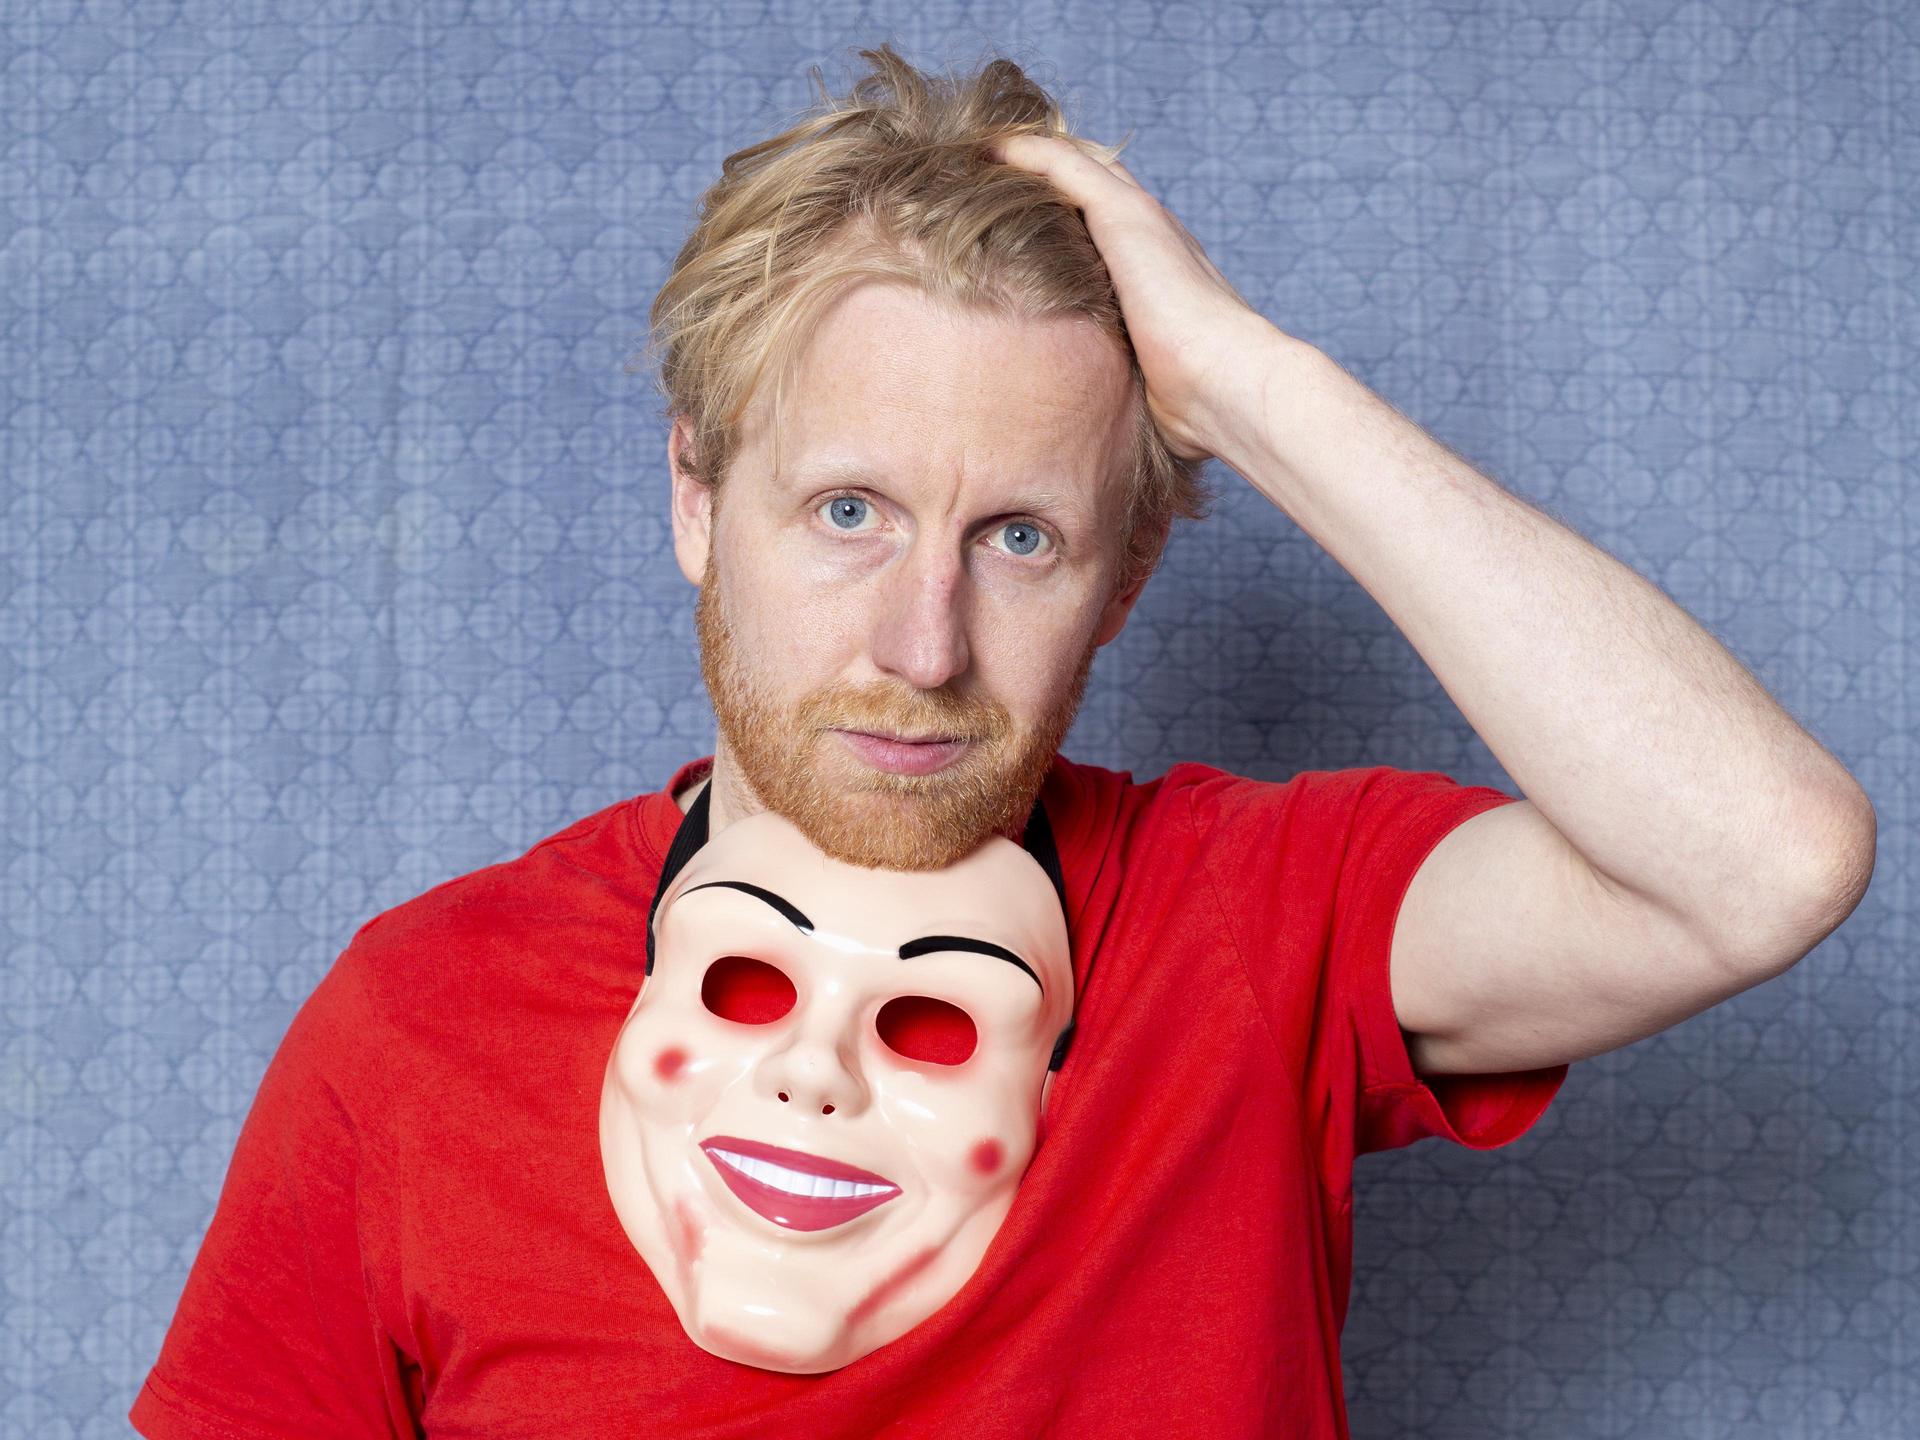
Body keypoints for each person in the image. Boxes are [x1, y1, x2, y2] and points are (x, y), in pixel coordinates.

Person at [129, 43, 1876, 1440]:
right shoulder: (418, 1019)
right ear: (694, 492)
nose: (923, 644)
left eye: (1022, 538)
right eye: (848, 512)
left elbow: (1764, 858)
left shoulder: (1258, 921)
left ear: (1129, 581)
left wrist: (1250, 389)